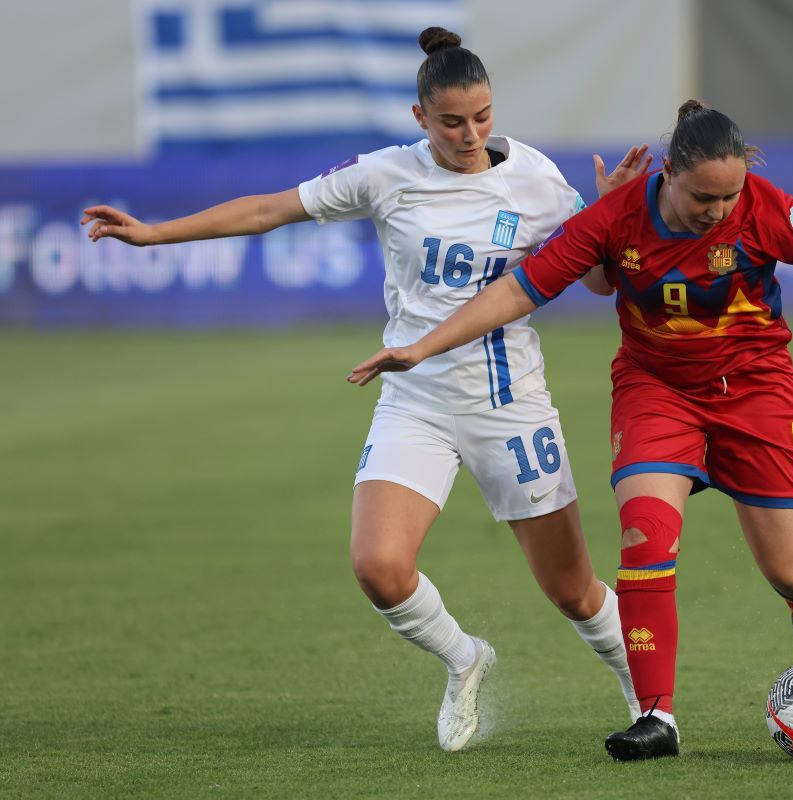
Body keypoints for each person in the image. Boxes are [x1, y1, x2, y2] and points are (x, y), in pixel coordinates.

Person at [345, 99, 793, 761]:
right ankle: (658, 716)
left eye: (729, 195)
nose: (720, 210)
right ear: (669, 175)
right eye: (703, 197)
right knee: (647, 533)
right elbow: (518, 289)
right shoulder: (615, 219)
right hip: (657, 394)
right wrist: (422, 345)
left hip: (757, 396)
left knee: (788, 567)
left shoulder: (768, 209)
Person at [81, 27, 655, 753]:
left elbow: (600, 281)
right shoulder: (386, 174)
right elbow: (268, 210)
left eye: (482, 115)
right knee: (379, 568)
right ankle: (464, 658)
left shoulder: (537, 178)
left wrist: (605, 215)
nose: (471, 133)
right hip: (414, 395)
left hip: (510, 403)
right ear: (420, 118)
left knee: (571, 588)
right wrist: (155, 235)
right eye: (452, 121)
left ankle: (647, 701)